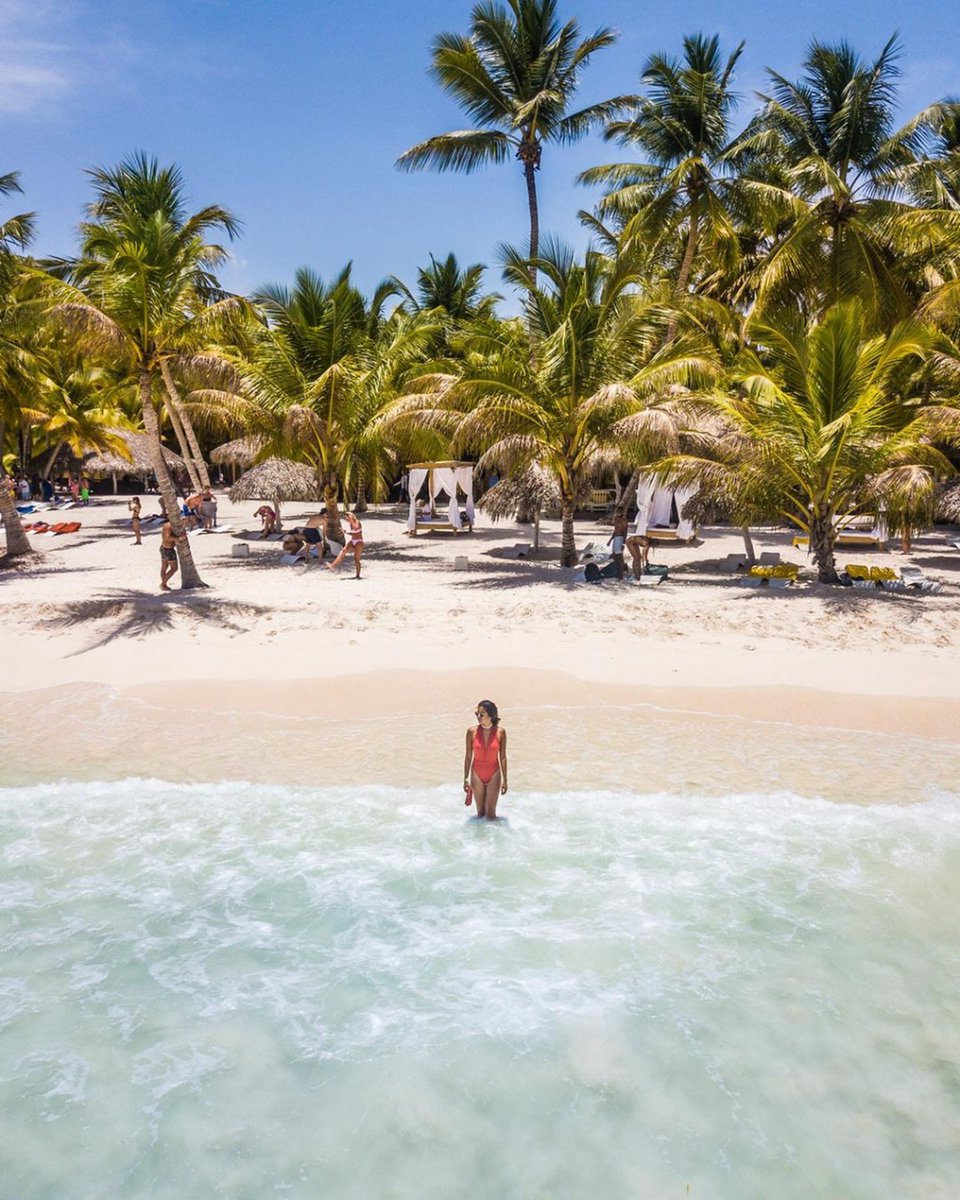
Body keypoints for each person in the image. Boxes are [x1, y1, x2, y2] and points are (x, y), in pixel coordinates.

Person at [463, 700, 508, 820]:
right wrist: (466, 778)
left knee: (491, 815)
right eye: (477, 713)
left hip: (494, 773)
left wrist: (505, 780)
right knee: (480, 813)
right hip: (477, 773)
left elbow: (503, 757)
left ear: (491, 715)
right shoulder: (471, 732)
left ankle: (493, 832)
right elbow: (468, 756)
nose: (478, 717)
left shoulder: (501, 732)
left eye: (482, 714)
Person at [326, 511, 364, 578]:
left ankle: (357, 575)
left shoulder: (357, 522)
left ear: (351, 517)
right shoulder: (350, 524)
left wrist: (348, 529)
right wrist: (345, 532)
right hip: (353, 540)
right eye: (346, 518)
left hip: (359, 542)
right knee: (343, 550)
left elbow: (356, 530)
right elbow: (352, 533)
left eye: (347, 518)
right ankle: (332, 566)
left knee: (356, 559)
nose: (346, 519)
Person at [607, 506, 629, 581]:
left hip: (620, 538)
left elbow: (625, 532)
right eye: (618, 511)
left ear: (622, 512)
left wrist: (623, 543)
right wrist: (610, 540)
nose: (619, 512)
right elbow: (615, 530)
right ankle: (622, 568)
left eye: (620, 511)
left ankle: (620, 575)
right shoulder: (616, 518)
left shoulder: (624, 520)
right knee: (614, 555)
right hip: (615, 538)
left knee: (619, 556)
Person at [159, 520, 179, 591]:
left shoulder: (167, 525)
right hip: (168, 550)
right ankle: (163, 584)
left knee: (164, 567)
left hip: (164, 548)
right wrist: (178, 538)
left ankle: (164, 585)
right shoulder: (169, 526)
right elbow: (168, 537)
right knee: (174, 568)